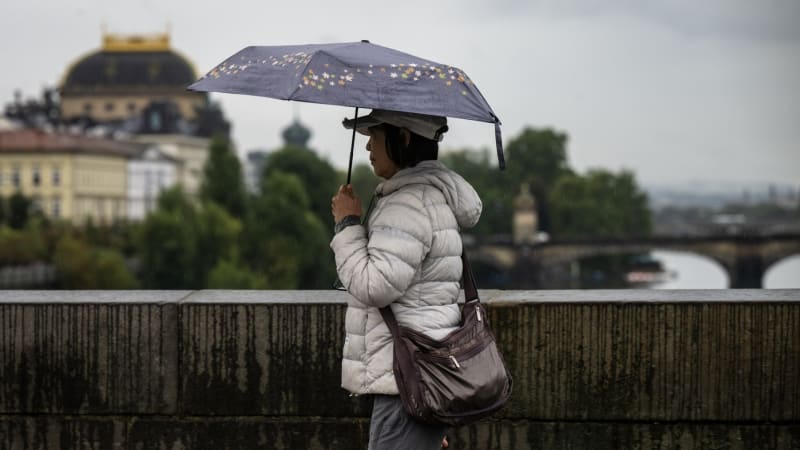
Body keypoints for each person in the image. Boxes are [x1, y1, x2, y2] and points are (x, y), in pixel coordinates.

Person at [330, 109, 482, 450]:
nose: (368, 146)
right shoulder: (431, 196)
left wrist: (347, 225)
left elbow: (374, 285)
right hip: (426, 378)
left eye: (375, 136)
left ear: (404, 137)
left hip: (404, 381)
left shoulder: (407, 203)